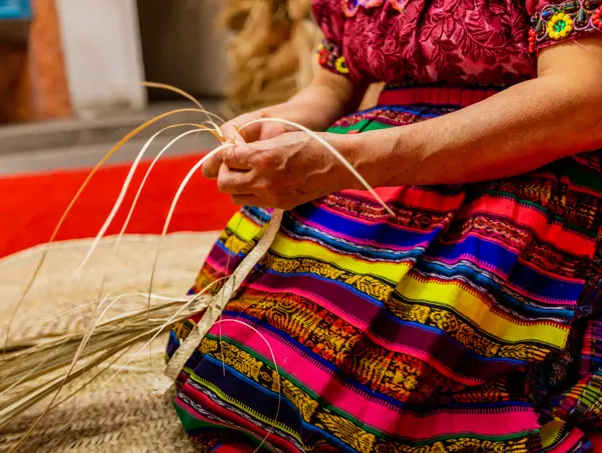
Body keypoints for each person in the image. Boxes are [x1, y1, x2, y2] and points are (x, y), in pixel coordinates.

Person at [167, 0, 602, 451]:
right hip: (374, 166)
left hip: (525, 160)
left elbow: (583, 98)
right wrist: (284, 122)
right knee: (230, 362)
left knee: (397, 405)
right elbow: (334, 83)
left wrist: (346, 161)